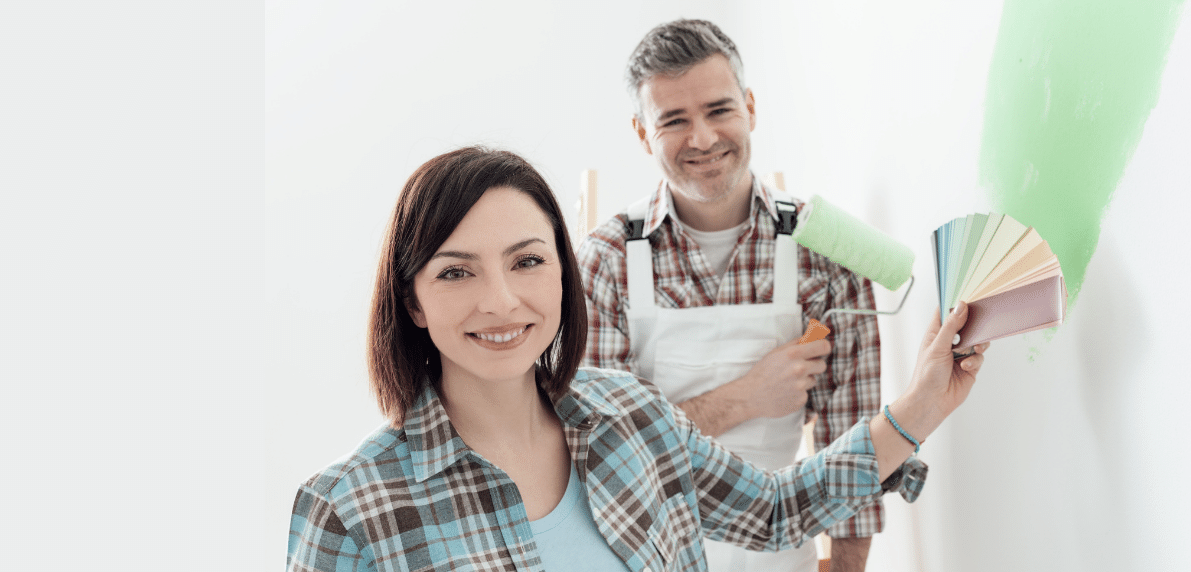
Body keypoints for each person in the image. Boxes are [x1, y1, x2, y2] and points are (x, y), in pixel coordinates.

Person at [287, 147, 990, 572]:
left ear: (562, 273)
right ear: (411, 301)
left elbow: (776, 511)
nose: (501, 302)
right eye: (456, 273)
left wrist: (926, 401)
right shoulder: (352, 509)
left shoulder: (631, 415)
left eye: (527, 262)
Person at [578, 20, 888, 572]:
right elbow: (605, 456)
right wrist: (747, 397)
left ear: (749, 106)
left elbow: (852, 452)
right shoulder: (606, 263)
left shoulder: (825, 256)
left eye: (718, 110)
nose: (701, 138)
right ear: (643, 133)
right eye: (674, 120)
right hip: (643, 556)